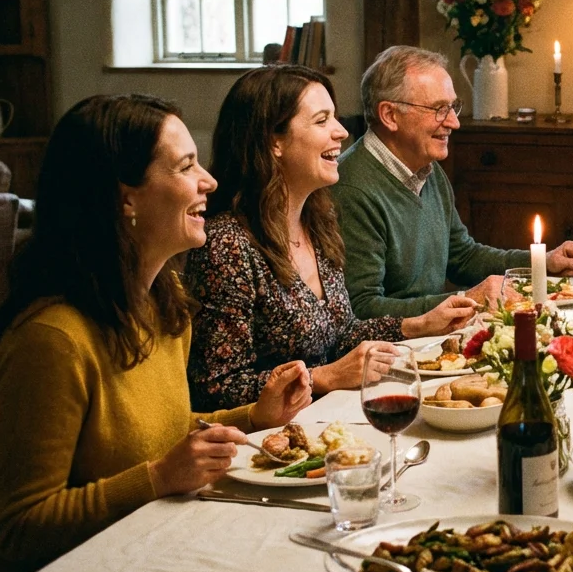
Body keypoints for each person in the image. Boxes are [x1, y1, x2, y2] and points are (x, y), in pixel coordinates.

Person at [0, 95, 311, 572]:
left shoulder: (162, 305)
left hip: (144, 553)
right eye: (185, 165)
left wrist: (252, 418)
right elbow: (17, 528)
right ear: (124, 199)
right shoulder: (53, 341)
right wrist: (155, 480)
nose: (209, 182)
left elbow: (155, 437)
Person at [185, 66, 476, 411]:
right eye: (322, 121)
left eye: (335, 118)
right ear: (273, 141)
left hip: (330, 419)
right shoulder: (227, 245)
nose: (340, 132)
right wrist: (325, 377)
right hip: (266, 444)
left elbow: (341, 333)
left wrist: (418, 325)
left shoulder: (317, 221)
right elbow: (214, 388)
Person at [335, 46, 573, 319]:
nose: (454, 122)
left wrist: (540, 263)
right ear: (390, 115)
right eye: (439, 109)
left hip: (430, 339)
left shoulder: (426, 168)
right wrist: (465, 298)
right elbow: (363, 309)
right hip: (394, 351)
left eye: (453, 107)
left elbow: (462, 257)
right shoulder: (351, 189)